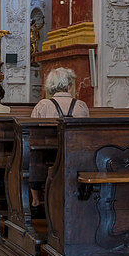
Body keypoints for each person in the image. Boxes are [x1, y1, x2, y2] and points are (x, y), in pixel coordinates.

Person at [29, 67, 89, 208]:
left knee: (34, 157)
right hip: (74, 154)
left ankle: (36, 200)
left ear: (51, 86)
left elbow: (32, 133)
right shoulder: (81, 106)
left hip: (47, 154)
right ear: (69, 86)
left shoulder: (42, 105)